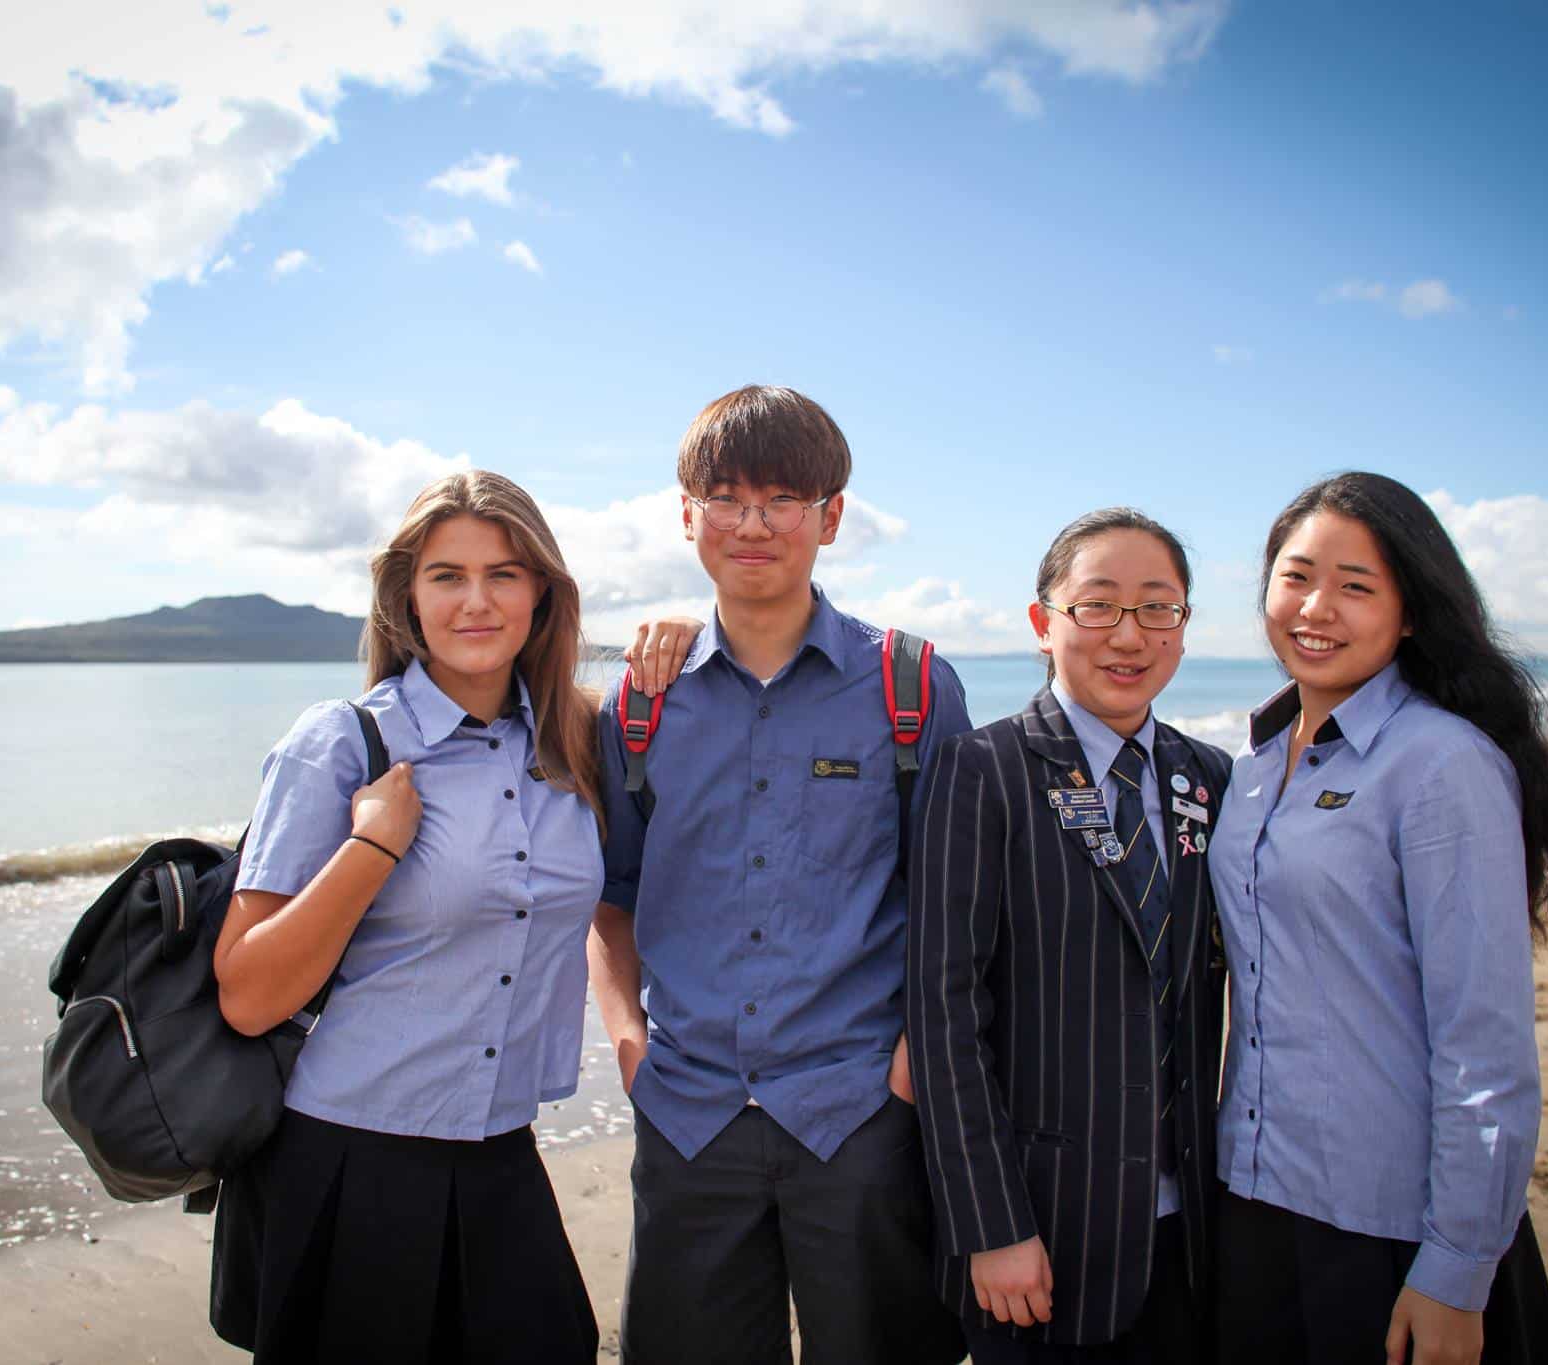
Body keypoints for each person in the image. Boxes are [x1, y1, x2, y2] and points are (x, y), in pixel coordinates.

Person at [587, 384, 972, 1365]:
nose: (751, 524)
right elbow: (613, 891)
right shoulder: (637, 700)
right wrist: (629, 1041)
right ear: (686, 516)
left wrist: (913, 1061)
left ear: (829, 518)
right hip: (685, 1113)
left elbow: (956, 901)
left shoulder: (910, 684)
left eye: (782, 500)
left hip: (858, 1114)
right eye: (723, 497)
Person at [208, 470, 605, 1364]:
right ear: (405, 597)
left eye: (505, 573)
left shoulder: (573, 744)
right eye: (446, 576)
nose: (477, 600)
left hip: (501, 1149)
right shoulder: (342, 743)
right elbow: (248, 992)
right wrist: (372, 848)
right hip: (352, 1159)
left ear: (541, 593)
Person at [1210, 472, 1548, 1365]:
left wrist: (1457, 1265)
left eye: (1357, 586)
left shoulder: (1442, 764)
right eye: (1296, 576)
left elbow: (1484, 1043)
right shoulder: (1252, 765)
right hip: (1251, 1199)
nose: (1316, 607)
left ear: (1410, 613)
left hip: (1387, 1224)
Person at [907, 508, 1231, 1363]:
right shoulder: (983, 770)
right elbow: (944, 1015)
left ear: (1184, 629)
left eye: (1158, 607)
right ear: (1043, 623)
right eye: (1098, 605)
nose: (1129, 634)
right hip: (1041, 1233)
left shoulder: (1211, 778)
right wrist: (992, 1225)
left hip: (1190, 1231)